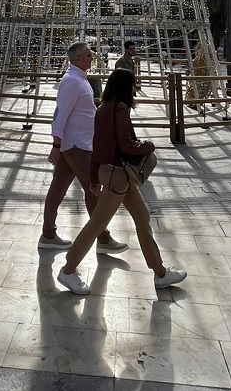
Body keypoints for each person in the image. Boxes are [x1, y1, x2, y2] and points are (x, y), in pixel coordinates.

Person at [57, 68, 186, 294]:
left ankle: (160, 272)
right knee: (97, 224)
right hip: (118, 174)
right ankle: (68, 270)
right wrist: (148, 146)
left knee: (142, 218)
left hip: (113, 173)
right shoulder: (120, 108)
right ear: (126, 86)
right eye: (133, 84)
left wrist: (95, 176)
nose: (134, 88)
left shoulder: (103, 108)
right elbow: (127, 145)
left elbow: (97, 145)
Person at [39, 42, 126, 253]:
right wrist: (56, 145)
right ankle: (103, 238)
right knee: (94, 188)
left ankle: (48, 234)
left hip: (77, 143)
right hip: (76, 145)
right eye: (88, 55)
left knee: (58, 188)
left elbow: (78, 111)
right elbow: (60, 115)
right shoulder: (72, 82)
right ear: (77, 58)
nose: (91, 57)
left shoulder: (79, 79)